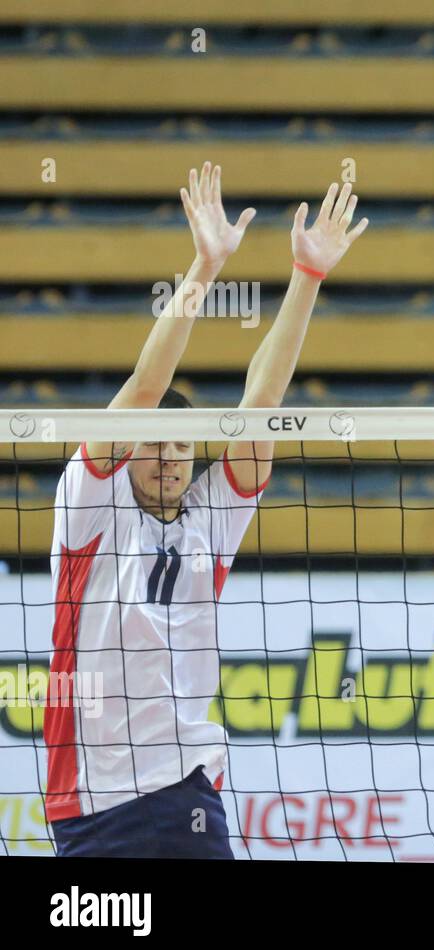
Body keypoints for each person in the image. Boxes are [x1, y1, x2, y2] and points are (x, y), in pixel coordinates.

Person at [45, 164, 369, 857]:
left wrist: (306, 278)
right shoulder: (89, 508)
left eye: (181, 448)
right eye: (154, 446)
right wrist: (205, 265)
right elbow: (144, 387)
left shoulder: (209, 517)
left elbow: (262, 404)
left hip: (186, 792)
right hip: (91, 801)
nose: (169, 458)